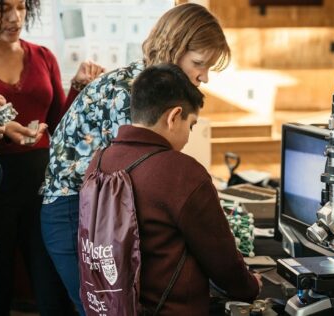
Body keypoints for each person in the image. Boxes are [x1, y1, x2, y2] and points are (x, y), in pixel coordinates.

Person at [39, 3, 230, 314]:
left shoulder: (146, 86)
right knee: (104, 309)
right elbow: (145, 179)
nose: (204, 76)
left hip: (96, 207)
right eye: (199, 63)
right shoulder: (129, 93)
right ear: (174, 48)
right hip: (73, 209)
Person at [0, 0, 104, 315]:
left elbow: (60, 129)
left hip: (45, 192)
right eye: (3, 9)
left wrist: (79, 87)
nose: (15, 18)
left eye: (22, 7)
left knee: (54, 293)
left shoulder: (42, 57)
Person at [83, 63, 262, 314]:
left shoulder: (99, 160)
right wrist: (250, 285)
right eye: (191, 126)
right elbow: (222, 261)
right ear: (174, 116)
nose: (188, 137)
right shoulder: (181, 172)